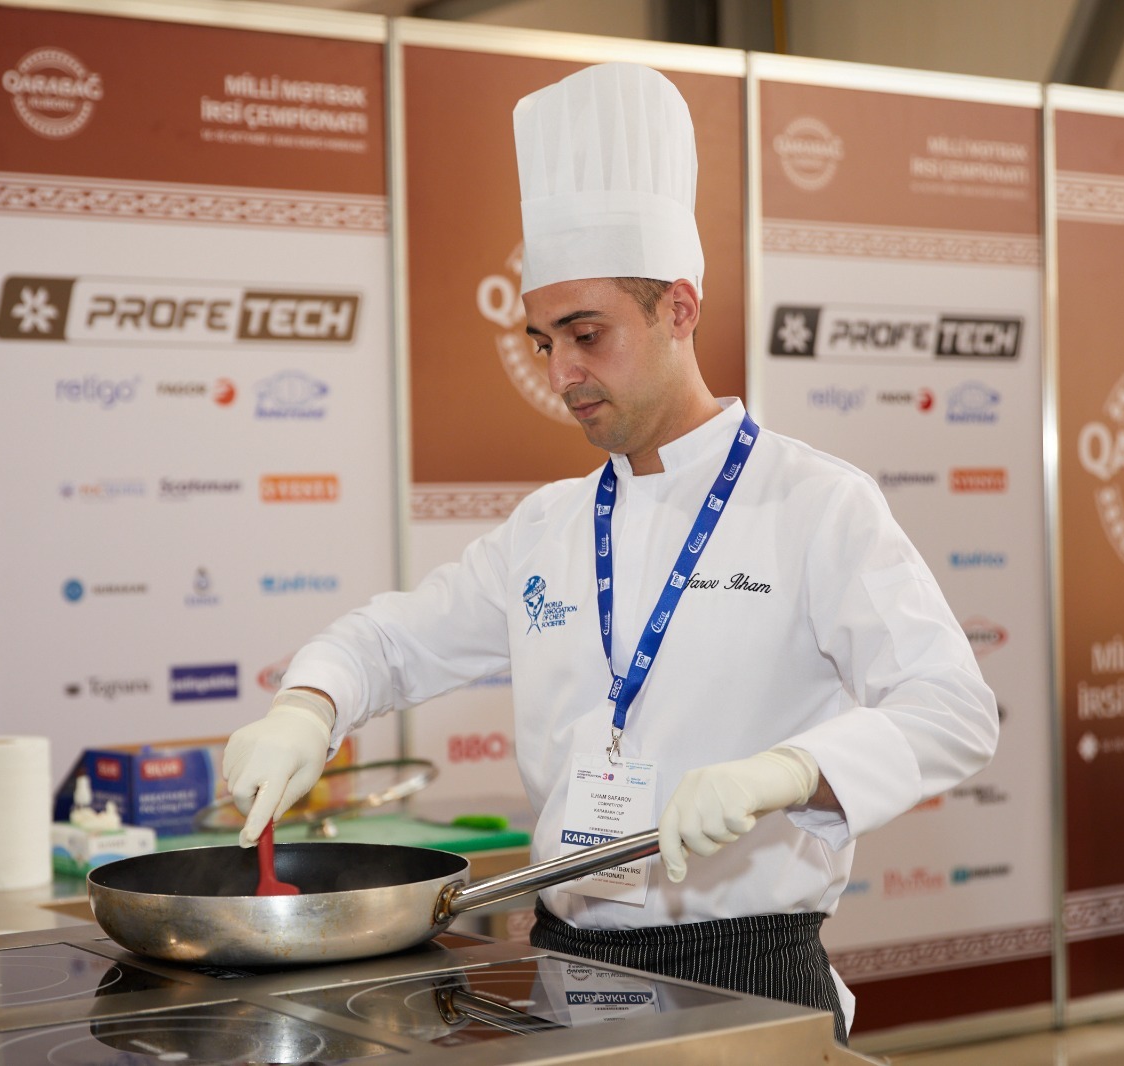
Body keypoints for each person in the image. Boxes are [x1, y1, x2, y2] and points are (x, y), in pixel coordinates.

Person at [223, 62, 997, 1042]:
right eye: (543, 341)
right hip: (567, 973)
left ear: (680, 309)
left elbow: (952, 709)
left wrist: (790, 770)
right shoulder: (547, 526)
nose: (562, 373)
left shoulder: (814, 503)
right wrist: (308, 704)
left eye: (587, 334)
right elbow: (391, 642)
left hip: (749, 972)